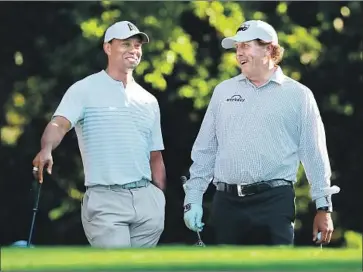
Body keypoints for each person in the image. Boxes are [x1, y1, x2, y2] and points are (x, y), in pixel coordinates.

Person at [183, 20, 340, 246]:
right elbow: (206, 150)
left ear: (269, 48)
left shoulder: (298, 95)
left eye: (245, 46)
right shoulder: (223, 91)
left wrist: (323, 207)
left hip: (275, 202)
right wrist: (193, 198)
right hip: (227, 203)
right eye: (237, 48)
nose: (239, 53)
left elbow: (314, 153)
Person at [32, 21, 166, 248]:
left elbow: (155, 156)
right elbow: (59, 125)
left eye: (137, 45)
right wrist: (46, 149)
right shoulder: (84, 89)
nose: (134, 50)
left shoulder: (149, 100)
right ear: (107, 48)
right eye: (125, 44)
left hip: (147, 202)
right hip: (106, 200)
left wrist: (159, 199)